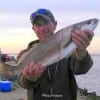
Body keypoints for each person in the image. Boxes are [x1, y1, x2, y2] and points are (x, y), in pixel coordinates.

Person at [17, 8, 94, 100]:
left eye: (46, 22)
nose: (42, 28)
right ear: (34, 29)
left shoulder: (70, 47)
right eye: (38, 25)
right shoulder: (25, 54)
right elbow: (21, 82)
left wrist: (81, 52)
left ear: (55, 24)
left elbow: (81, 70)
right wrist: (30, 79)